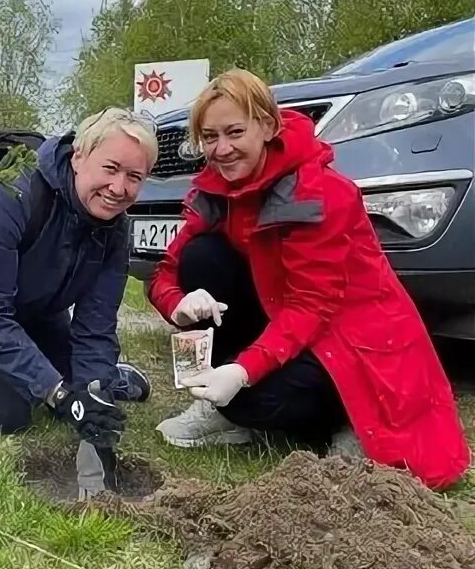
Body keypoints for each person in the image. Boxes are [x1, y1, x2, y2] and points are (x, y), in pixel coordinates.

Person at [148, 68, 470, 490]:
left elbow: (313, 306)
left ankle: (351, 418)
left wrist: (242, 370)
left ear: (266, 125)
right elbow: (165, 271)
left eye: (234, 132)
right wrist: (178, 302)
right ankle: (228, 410)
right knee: (202, 257)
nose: (222, 149)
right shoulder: (215, 191)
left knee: (256, 399)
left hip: (354, 334)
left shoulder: (320, 192)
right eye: (210, 137)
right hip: (290, 317)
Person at [0, 108, 158, 449]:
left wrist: (96, 397)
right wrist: (60, 395)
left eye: (134, 177)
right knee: (12, 412)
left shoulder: (115, 228)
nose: (119, 188)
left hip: (34, 308)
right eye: (111, 168)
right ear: (79, 157)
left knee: (84, 391)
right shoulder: (9, 193)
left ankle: (115, 379)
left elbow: (96, 327)